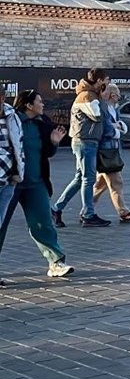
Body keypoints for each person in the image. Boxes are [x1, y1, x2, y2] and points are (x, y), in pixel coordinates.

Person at [1, 89, 74, 283]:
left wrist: (54, 143)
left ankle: (56, 262)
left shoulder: (42, 124)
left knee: (43, 222)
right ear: (29, 105)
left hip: (36, 182)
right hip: (10, 182)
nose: (43, 105)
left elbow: (47, 153)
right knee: (1, 225)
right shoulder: (12, 120)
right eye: (39, 101)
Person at [51, 68, 111, 227]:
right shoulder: (86, 96)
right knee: (88, 179)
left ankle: (56, 209)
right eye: (106, 80)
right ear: (99, 81)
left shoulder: (91, 95)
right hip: (85, 142)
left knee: (80, 178)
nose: (108, 84)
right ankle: (88, 214)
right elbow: (97, 116)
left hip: (87, 141)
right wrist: (103, 98)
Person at [92, 83, 130, 222]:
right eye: (118, 93)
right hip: (106, 150)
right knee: (117, 182)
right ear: (112, 95)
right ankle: (123, 212)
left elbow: (118, 124)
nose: (119, 96)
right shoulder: (104, 109)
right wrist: (116, 130)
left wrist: (118, 127)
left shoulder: (114, 109)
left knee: (100, 184)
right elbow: (105, 130)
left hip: (113, 149)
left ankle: (87, 208)